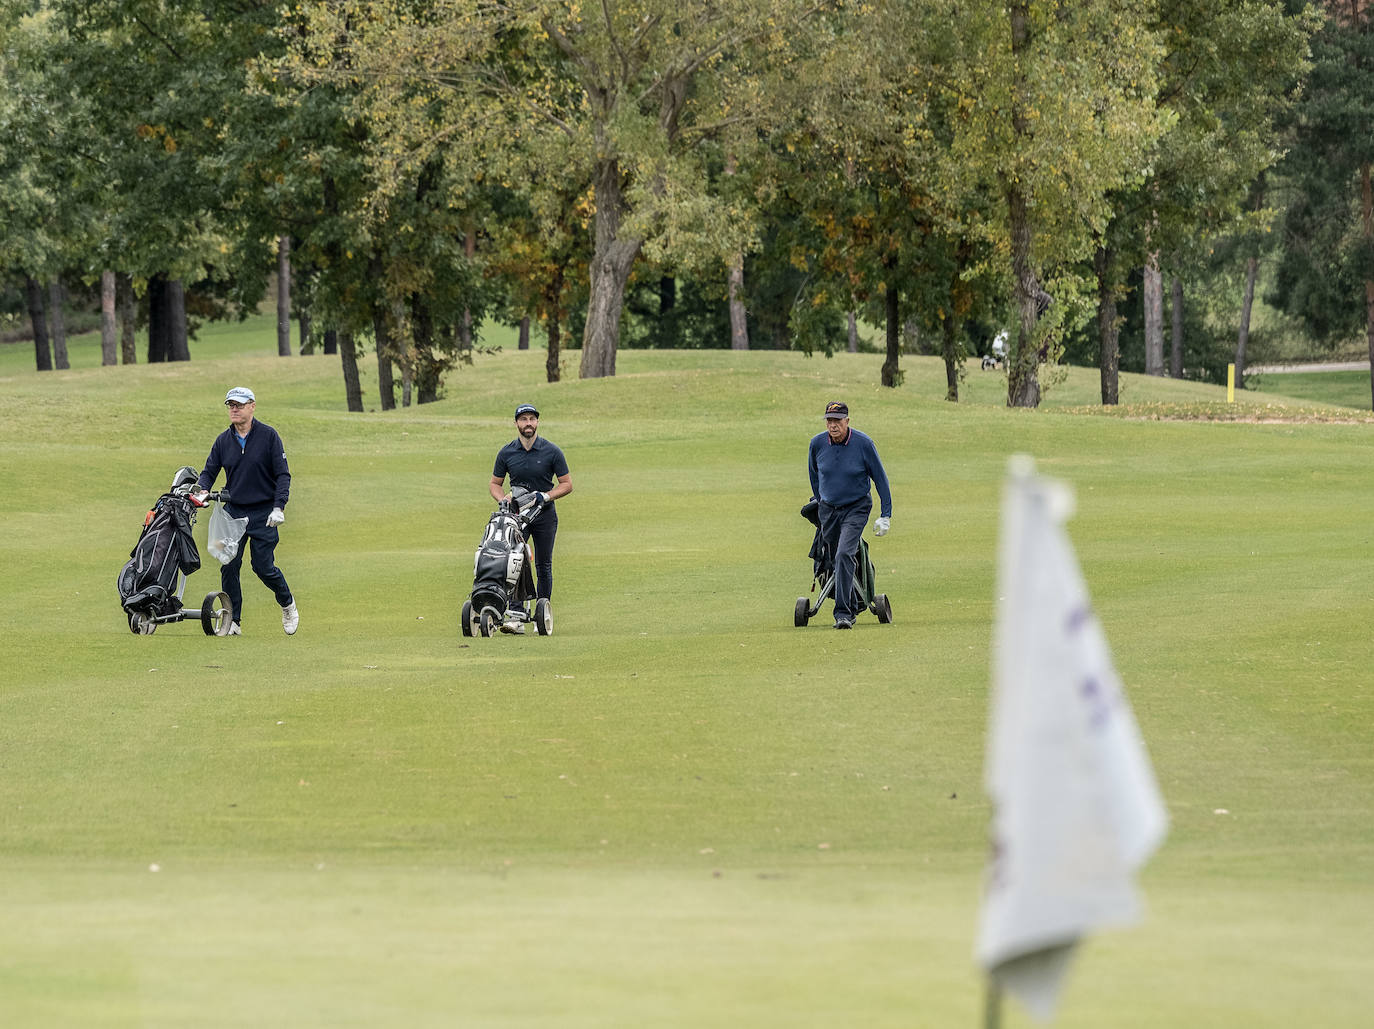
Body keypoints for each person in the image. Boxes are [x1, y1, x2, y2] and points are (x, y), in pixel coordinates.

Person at [193, 386, 298, 636]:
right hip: (233, 512)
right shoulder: (223, 440)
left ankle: (287, 604)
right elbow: (209, 472)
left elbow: (283, 475)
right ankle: (233, 621)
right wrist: (201, 491)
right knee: (228, 564)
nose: (235, 409)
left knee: (263, 567)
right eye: (231, 405)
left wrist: (278, 506)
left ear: (252, 406)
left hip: (264, 514)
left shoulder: (269, 436)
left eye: (239, 405)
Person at [807, 401, 892, 629]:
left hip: (857, 507)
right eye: (829, 420)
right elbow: (814, 476)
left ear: (847, 421)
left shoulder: (863, 444)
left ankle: (843, 614)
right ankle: (853, 602)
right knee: (837, 558)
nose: (833, 425)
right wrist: (821, 499)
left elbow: (880, 479)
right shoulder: (817, 444)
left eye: (837, 420)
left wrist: (886, 514)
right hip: (829, 510)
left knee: (844, 554)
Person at [489, 403, 572, 632]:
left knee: (544, 565)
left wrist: (546, 495)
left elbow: (567, 484)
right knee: (515, 561)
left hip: (545, 516)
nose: (528, 423)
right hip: (517, 516)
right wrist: (502, 500)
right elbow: (495, 484)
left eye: (532, 419)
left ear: (537, 422)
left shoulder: (551, 451)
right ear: (516, 423)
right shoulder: (507, 452)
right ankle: (515, 617)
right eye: (523, 419)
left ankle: (541, 615)